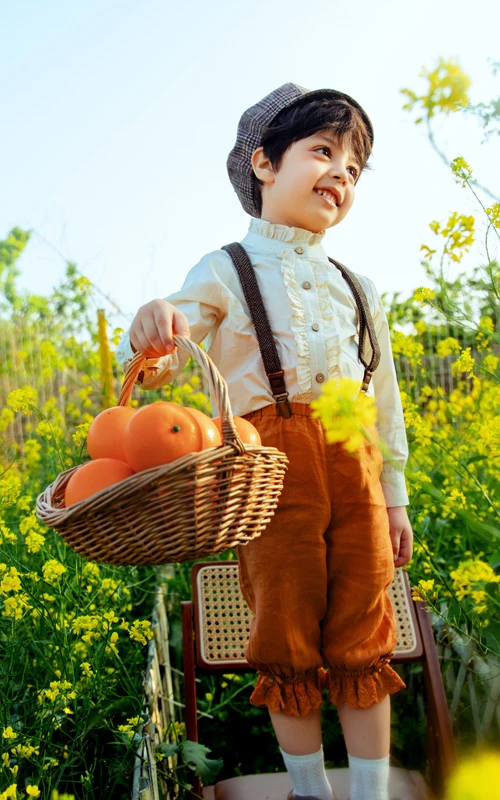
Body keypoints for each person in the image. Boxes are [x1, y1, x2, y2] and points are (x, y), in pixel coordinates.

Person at [116, 82, 414, 800]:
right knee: (284, 628)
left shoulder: (358, 284)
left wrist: (395, 499)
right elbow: (167, 345)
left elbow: (386, 401)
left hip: (357, 465)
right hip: (272, 469)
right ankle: (311, 790)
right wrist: (152, 325)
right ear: (264, 165)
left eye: (353, 167)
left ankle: (369, 794)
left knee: (364, 625)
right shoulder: (227, 267)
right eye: (323, 152)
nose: (340, 174)